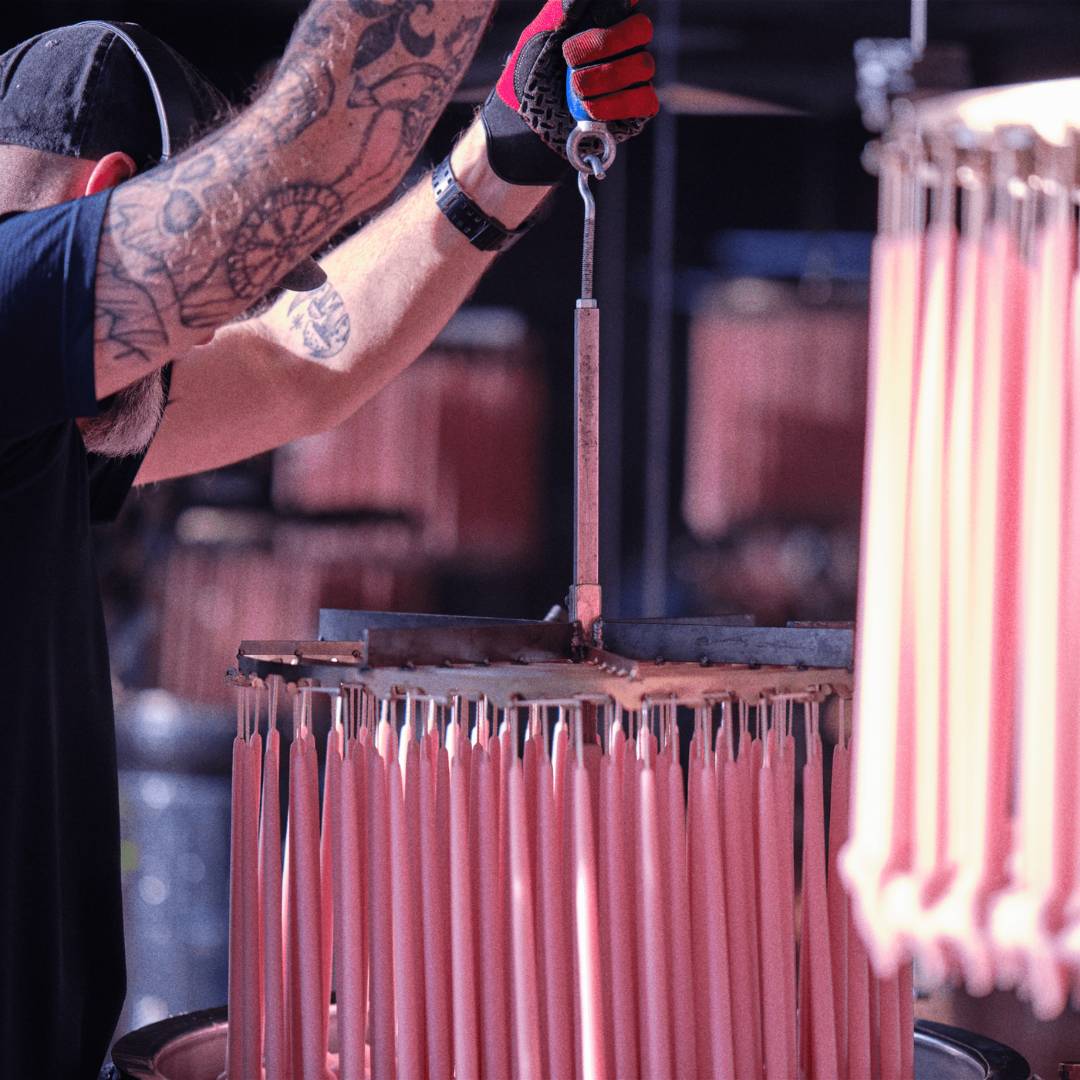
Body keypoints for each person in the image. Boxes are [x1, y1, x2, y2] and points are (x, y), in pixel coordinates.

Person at [0, 1, 657, 1075]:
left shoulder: (49, 421)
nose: (201, 347)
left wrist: (502, 160)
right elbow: (322, 144)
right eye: (196, 314)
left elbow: (297, 367)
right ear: (108, 201)